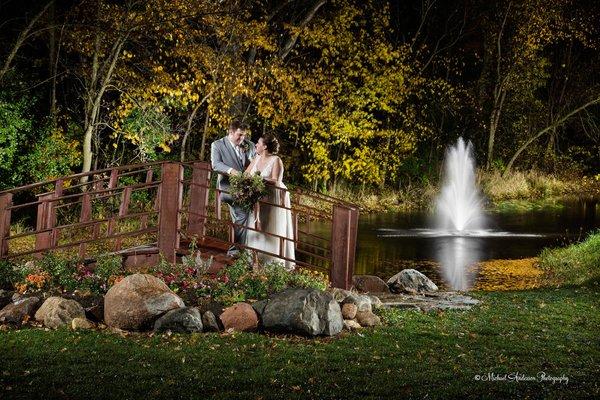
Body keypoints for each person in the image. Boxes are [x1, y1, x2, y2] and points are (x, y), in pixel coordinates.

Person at [244, 133, 295, 270]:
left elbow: (276, 181)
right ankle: (256, 260)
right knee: (256, 228)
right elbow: (246, 174)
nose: (256, 145)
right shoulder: (257, 158)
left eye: (258, 143)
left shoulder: (276, 160)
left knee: (269, 228)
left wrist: (260, 179)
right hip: (256, 197)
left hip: (272, 197)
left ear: (265, 146)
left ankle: (272, 263)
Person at [210, 120, 256, 257]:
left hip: (248, 189)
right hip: (228, 187)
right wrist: (231, 171)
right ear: (230, 132)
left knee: (241, 217)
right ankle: (236, 250)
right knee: (242, 214)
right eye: (239, 135)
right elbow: (216, 165)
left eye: (244, 135)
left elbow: (255, 162)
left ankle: (244, 249)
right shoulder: (217, 145)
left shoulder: (249, 145)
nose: (242, 138)